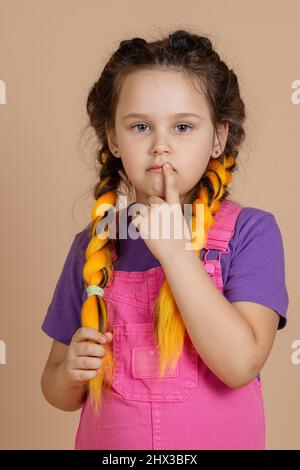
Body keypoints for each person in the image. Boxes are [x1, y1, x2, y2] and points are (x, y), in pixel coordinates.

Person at [40, 29, 289, 450]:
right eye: (140, 126)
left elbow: (240, 363)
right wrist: (69, 375)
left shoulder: (251, 233)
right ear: (114, 139)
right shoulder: (95, 243)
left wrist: (175, 252)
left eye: (183, 127)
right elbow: (54, 383)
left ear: (218, 138)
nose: (161, 147)